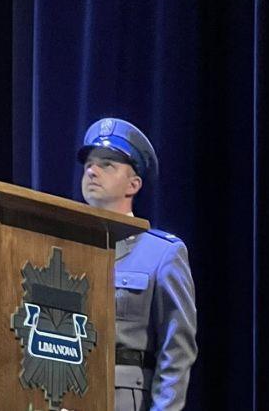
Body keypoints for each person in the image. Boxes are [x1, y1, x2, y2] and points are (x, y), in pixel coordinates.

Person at [77, 118, 196, 411]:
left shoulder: (162, 253)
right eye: (89, 164)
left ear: (133, 184)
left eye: (106, 165)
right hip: (70, 393)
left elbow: (177, 351)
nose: (92, 171)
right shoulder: (66, 247)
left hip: (126, 398)